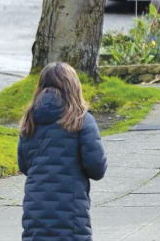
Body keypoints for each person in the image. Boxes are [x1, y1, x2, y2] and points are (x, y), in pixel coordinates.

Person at [18, 62, 107, 241]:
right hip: (71, 210)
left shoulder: (30, 119)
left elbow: (24, 164)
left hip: (35, 208)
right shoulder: (81, 120)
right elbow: (97, 168)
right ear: (73, 86)